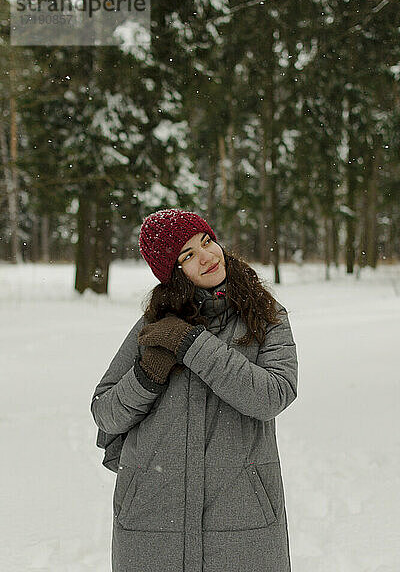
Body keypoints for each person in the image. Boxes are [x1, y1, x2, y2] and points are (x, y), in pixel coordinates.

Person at [90, 208, 298, 572]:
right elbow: (106, 412)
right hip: (151, 521)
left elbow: (272, 395)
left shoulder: (265, 317)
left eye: (206, 242)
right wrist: (147, 375)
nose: (206, 257)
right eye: (187, 255)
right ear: (173, 273)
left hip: (243, 522)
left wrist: (192, 344)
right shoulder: (154, 325)